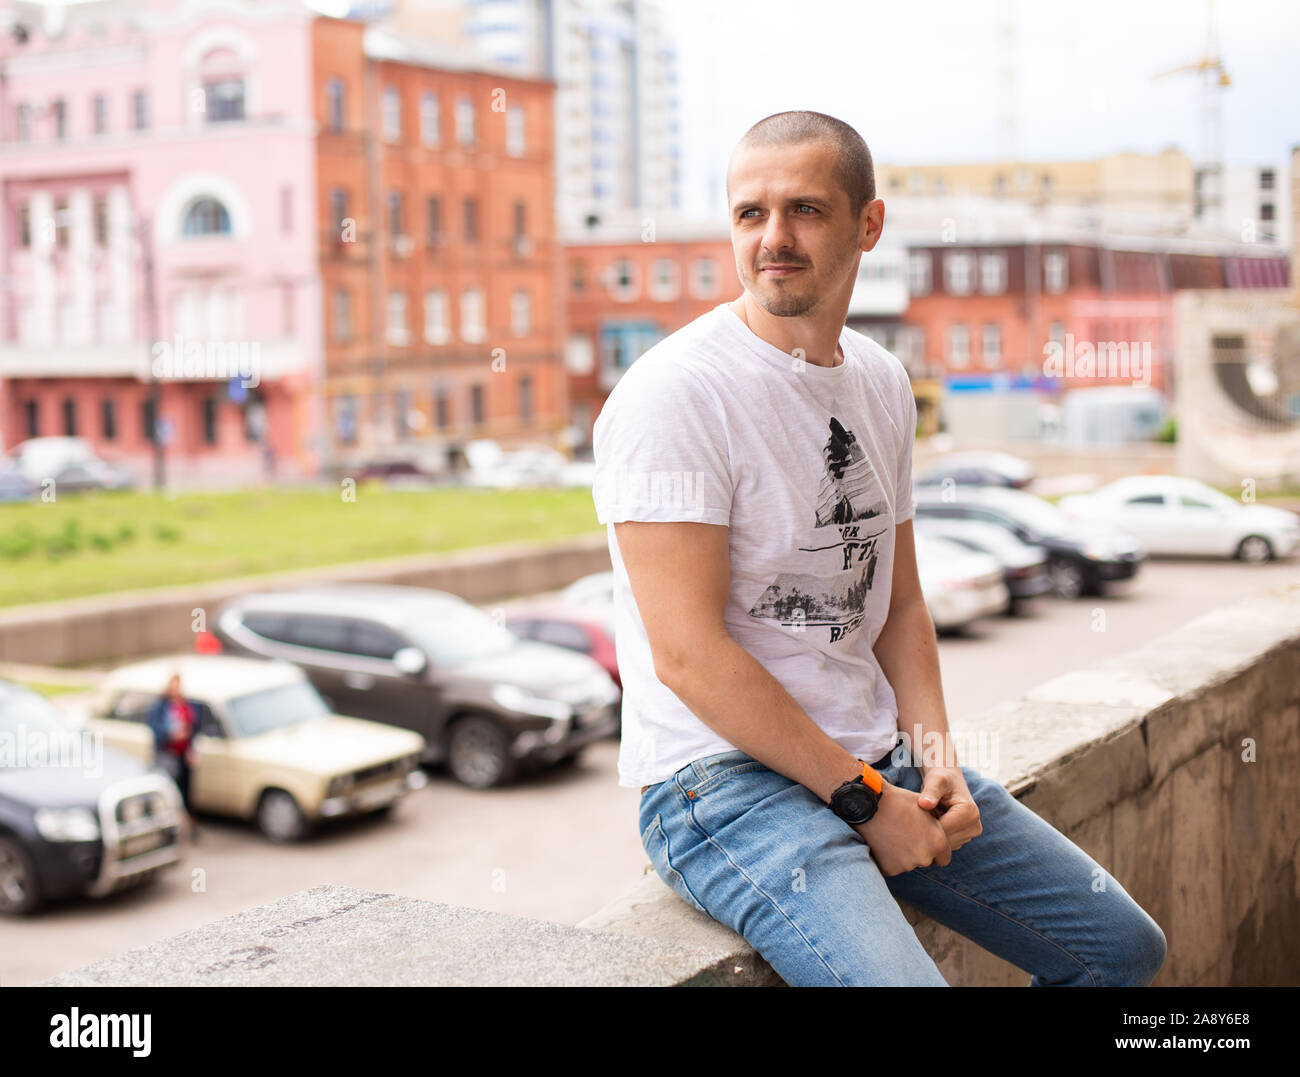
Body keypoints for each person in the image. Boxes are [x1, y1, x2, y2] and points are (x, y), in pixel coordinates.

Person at [590, 110, 1166, 986]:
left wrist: (937, 761)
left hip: (877, 761)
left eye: (805, 210)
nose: (773, 238)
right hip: (723, 786)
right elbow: (687, 655)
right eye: (750, 213)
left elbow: (898, 604)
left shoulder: (880, 381)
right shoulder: (675, 394)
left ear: (869, 224)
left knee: (1120, 950)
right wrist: (863, 800)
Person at [146, 673, 200, 843]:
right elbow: (155, 731)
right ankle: (169, 831)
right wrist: (171, 735)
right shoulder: (160, 707)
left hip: (184, 756)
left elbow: (194, 727)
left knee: (187, 794)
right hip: (168, 756)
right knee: (170, 794)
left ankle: (190, 828)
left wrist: (191, 747)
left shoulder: (187, 704)